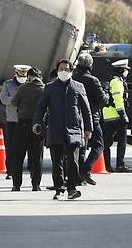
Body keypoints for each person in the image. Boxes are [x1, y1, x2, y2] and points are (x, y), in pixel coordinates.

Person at [33, 59, 92, 200]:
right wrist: (37, 122)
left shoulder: (79, 87)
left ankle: (72, 189)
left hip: (74, 130)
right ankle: (59, 189)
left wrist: (88, 128)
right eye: (61, 69)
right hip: (55, 129)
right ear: (57, 70)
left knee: (73, 161)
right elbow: (41, 107)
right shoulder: (50, 88)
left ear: (71, 71)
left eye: (66, 69)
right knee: (57, 162)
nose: (64, 71)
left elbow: (86, 109)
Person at [74, 53, 108, 185]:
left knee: (81, 148)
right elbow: (102, 99)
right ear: (90, 65)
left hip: (76, 117)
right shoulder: (93, 80)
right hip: (92, 117)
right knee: (99, 145)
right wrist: (106, 93)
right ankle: (85, 170)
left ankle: (78, 177)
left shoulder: (74, 79)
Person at [10, 67, 45, 192]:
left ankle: (16, 185)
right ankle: (36, 185)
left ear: (29, 77)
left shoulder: (23, 88)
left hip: (23, 124)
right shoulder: (45, 89)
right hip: (39, 125)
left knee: (19, 156)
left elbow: (14, 102)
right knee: (37, 157)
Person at [0, 65, 31, 180]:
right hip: (12, 120)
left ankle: (29, 169)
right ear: (16, 73)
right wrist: (15, 100)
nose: (22, 77)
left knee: (28, 146)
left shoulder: (29, 84)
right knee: (11, 147)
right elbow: (3, 98)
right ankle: (11, 171)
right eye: (20, 74)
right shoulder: (8, 84)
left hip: (26, 119)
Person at [102, 59, 132, 172]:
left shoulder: (113, 81)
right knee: (121, 142)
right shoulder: (117, 82)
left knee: (107, 143)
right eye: (125, 70)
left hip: (109, 116)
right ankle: (120, 165)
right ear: (121, 70)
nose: (127, 72)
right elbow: (118, 99)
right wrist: (123, 115)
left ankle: (106, 165)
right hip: (117, 116)